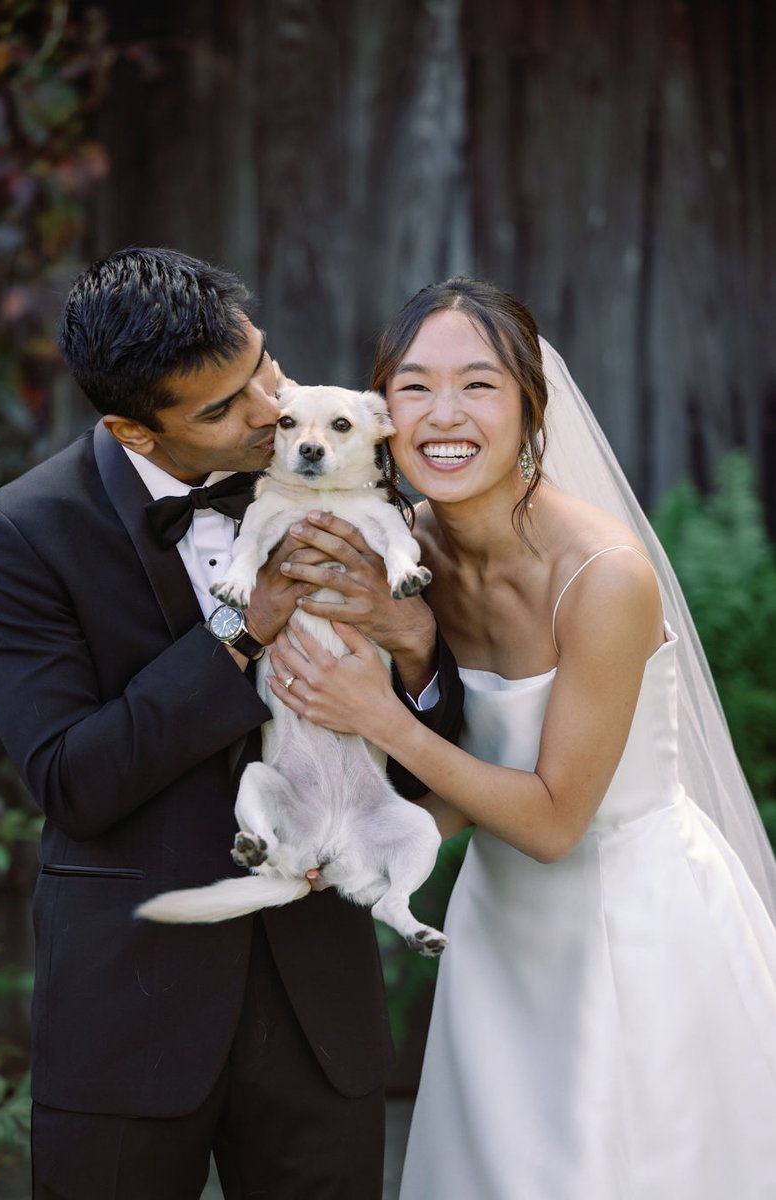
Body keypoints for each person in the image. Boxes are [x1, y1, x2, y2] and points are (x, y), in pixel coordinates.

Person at [0, 247, 463, 1200]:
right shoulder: (24, 531)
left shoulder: (341, 455)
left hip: (318, 1000)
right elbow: (74, 778)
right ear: (134, 431)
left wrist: (412, 645)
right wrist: (243, 625)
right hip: (128, 1009)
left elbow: (434, 737)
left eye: (263, 369)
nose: (270, 412)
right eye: (222, 407)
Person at [268, 277, 776, 1199]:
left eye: (480, 384)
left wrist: (376, 715)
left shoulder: (604, 577)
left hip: (632, 929)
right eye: (415, 386)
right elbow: (471, 776)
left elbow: (551, 822)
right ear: (384, 415)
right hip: (501, 935)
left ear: (532, 407)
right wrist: (349, 845)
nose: (444, 414)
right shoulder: (407, 552)